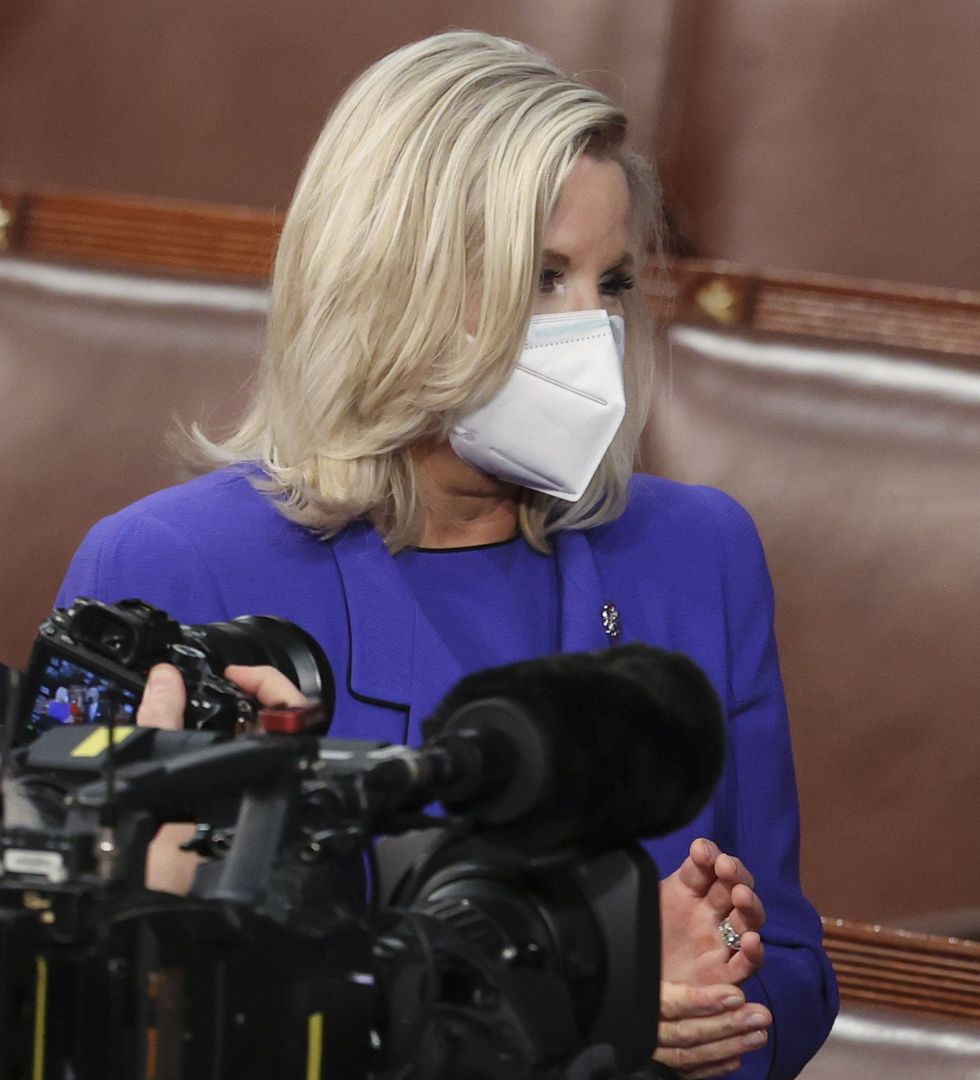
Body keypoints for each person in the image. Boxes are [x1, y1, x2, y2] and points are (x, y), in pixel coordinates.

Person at [57, 32, 833, 1080]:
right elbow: (89, 998)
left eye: (610, 285)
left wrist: (716, 994)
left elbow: (788, 961)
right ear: (393, 283)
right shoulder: (175, 566)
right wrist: (597, 1004)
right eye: (542, 277)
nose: (589, 331)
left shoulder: (700, 553)